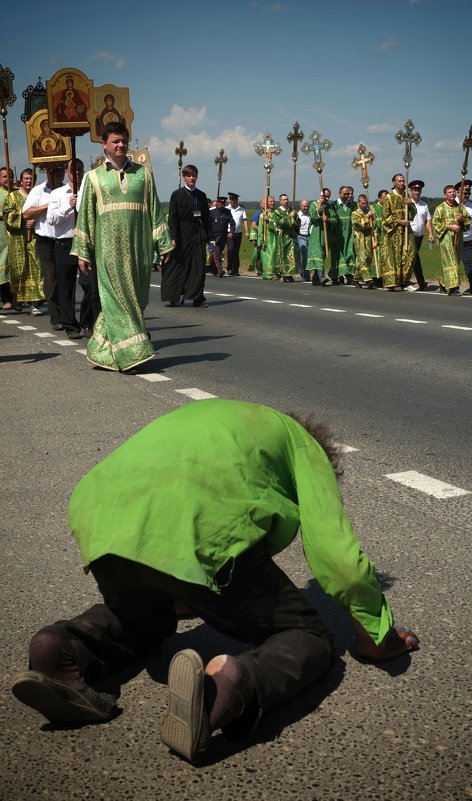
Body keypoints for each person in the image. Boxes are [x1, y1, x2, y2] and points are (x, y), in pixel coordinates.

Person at [11, 399, 419, 765]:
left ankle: (62, 648)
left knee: (143, 616)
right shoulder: (301, 446)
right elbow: (339, 559)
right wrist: (377, 638)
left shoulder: (215, 417)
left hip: (101, 516)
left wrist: (186, 591)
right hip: (195, 526)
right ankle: (228, 686)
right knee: (308, 635)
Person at [72, 122, 172, 371]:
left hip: (139, 249)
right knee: (117, 299)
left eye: (124, 140)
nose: (121, 145)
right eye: (115, 141)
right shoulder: (93, 177)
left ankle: (102, 352)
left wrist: (163, 244)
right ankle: (133, 356)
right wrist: (83, 251)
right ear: (104, 145)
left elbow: (155, 212)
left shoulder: (144, 174)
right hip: (108, 251)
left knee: (136, 299)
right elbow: (85, 217)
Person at [46, 159, 86, 338]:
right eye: (73, 169)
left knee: (91, 285)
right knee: (66, 286)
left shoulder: (88, 190)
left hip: (85, 242)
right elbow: (52, 219)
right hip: (65, 242)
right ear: (67, 171)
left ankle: (88, 320)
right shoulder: (57, 193)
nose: (76, 172)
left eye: (80, 169)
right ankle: (71, 325)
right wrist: (68, 206)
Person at [161, 164, 210, 308]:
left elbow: (206, 217)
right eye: (189, 175)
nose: (192, 178)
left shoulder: (201, 196)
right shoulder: (177, 195)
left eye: (194, 175)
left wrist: (210, 237)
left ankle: (197, 298)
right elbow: (173, 217)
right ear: (184, 177)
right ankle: (173, 296)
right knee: (177, 265)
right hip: (181, 233)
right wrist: (173, 236)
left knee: (198, 267)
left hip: (197, 232)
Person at [22, 165, 65, 322]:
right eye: (54, 171)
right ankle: (56, 316)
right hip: (45, 239)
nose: (58, 174)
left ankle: (66, 314)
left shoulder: (68, 190)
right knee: (51, 276)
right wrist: (47, 206)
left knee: (65, 277)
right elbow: (26, 213)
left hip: (65, 239)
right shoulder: (38, 191)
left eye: (61, 170)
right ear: (47, 171)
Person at [3, 168, 45, 314]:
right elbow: (7, 216)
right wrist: (23, 220)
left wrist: (35, 221)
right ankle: (19, 298)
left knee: (37, 268)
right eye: (26, 178)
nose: (28, 181)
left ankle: (35, 303)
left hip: (35, 237)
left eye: (31, 178)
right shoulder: (13, 196)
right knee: (19, 270)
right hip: (17, 239)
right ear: (21, 180)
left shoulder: (38, 196)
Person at [432, 184, 472, 295]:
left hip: (458, 239)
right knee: (451, 262)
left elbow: (469, 221)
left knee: (456, 261)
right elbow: (436, 223)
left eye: (454, 192)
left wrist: (462, 219)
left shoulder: (460, 207)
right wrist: (449, 227)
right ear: (445, 194)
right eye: (450, 192)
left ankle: (443, 283)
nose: (452, 193)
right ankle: (454, 288)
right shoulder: (440, 208)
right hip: (446, 239)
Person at [381, 174, 415, 290]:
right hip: (393, 231)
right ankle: (392, 282)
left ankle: (404, 280)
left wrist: (410, 204)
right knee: (394, 257)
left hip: (406, 231)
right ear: (394, 183)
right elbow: (385, 218)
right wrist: (400, 221)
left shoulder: (406, 196)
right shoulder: (389, 197)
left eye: (403, 181)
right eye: (399, 181)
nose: (402, 183)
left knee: (409, 254)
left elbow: (413, 213)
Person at [454, 180, 472, 295]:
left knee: (469, 263)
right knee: (452, 263)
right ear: (458, 192)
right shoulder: (453, 205)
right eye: (464, 193)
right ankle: (448, 284)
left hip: (468, 240)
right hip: (456, 239)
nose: (466, 196)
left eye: (468, 193)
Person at [407, 179, 433, 291]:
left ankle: (411, 280)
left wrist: (431, 233)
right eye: (415, 190)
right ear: (411, 191)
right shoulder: (407, 203)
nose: (417, 192)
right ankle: (421, 282)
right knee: (415, 257)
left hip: (419, 236)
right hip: (409, 235)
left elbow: (427, 220)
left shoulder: (424, 205)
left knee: (413, 259)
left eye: (419, 190)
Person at [308, 188, 334, 286]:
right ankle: (321, 276)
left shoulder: (329, 207)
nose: (326, 198)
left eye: (328, 197)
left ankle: (315, 278)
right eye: (324, 196)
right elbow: (313, 216)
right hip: (316, 234)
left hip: (325, 234)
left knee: (322, 255)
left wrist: (327, 219)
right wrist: (320, 205)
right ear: (320, 196)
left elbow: (335, 219)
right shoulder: (314, 205)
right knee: (317, 255)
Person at [331, 186, 356, 284]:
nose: (346, 196)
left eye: (348, 194)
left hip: (349, 235)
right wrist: (332, 235)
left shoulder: (352, 206)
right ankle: (338, 276)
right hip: (338, 234)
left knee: (350, 254)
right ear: (339, 193)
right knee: (338, 255)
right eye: (344, 194)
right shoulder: (334, 205)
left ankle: (350, 274)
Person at [351, 194, 376, 289]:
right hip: (359, 239)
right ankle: (368, 280)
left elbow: (372, 225)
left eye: (366, 203)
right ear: (358, 203)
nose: (364, 205)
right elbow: (361, 224)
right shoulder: (355, 214)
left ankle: (356, 278)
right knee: (362, 258)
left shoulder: (369, 212)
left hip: (368, 238)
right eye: (362, 203)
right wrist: (367, 216)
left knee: (368, 258)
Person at [271, 193, 298, 281]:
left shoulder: (291, 210)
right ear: (280, 201)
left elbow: (296, 223)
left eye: (287, 199)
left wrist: (296, 216)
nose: (286, 201)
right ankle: (282, 273)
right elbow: (281, 222)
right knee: (282, 255)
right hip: (282, 237)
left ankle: (289, 273)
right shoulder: (277, 212)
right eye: (284, 200)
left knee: (291, 256)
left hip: (291, 237)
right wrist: (290, 217)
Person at [209, 196, 235, 276]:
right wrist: (209, 237)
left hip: (223, 237)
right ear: (217, 203)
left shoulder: (227, 212)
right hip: (213, 237)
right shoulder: (211, 212)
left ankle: (214, 269)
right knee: (216, 253)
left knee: (218, 253)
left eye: (223, 203)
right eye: (220, 203)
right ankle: (220, 270)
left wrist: (231, 232)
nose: (222, 205)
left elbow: (233, 223)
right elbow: (208, 225)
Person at [0, 166, 14, 309]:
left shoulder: (15, 193)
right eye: (4, 176)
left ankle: (14, 298)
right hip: (1, 234)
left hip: (14, 234)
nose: (7, 179)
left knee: (14, 266)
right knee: (2, 267)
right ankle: (6, 299)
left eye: (9, 176)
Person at [226, 192, 249, 276]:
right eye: (230, 199)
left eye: (233, 199)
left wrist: (247, 231)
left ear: (236, 200)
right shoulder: (226, 208)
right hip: (229, 233)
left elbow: (245, 220)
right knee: (230, 250)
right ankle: (229, 267)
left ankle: (235, 269)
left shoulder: (241, 209)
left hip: (238, 233)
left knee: (236, 251)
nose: (231, 201)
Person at [371, 189, 388, 287]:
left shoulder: (388, 207)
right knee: (377, 259)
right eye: (384, 198)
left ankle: (384, 277)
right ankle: (376, 278)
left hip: (386, 237)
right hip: (376, 236)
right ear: (379, 198)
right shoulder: (373, 208)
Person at [249, 198, 264, 276]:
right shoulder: (258, 213)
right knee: (259, 253)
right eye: (264, 203)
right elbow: (253, 225)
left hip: (268, 238)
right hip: (260, 237)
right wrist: (263, 230)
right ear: (260, 204)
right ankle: (258, 269)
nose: (266, 205)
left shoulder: (269, 213)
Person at [296, 199, 311, 281]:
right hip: (300, 236)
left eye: (307, 206)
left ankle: (305, 273)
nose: (306, 208)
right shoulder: (297, 215)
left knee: (308, 257)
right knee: (304, 255)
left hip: (308, 236)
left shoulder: (310, 215)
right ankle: (305, 273)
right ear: (301, 206)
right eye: (304, 206)